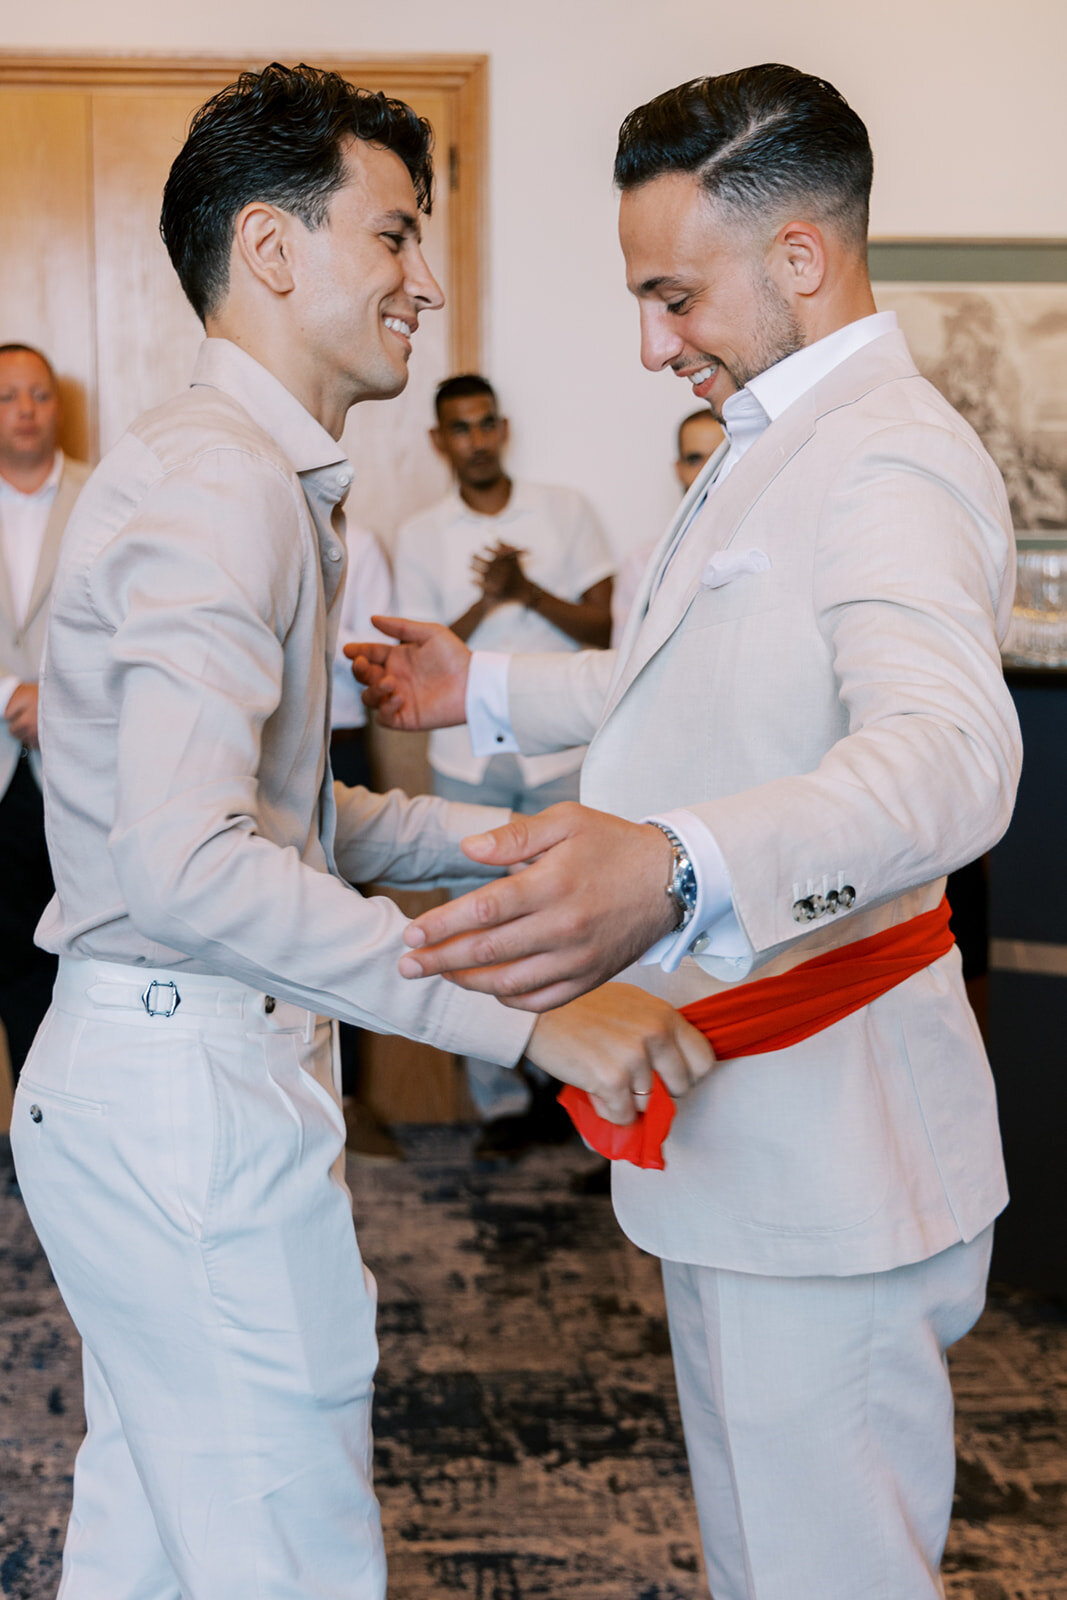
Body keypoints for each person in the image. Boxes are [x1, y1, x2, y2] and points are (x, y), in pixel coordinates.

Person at [10, 63, 711, 1600]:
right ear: (270, 249)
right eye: (393, 235)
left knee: (154, 1545)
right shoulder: (223, 487)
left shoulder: (243, 473)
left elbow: (282, 812)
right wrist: (528, 1019)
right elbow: (187, 866)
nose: (425, 281)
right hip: (186, 1098)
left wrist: (501, 848)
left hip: (158, 1081)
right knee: (288, 1560)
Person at [351, 64, 1022, 1600]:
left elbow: (947, 759)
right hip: (742, 1131)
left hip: (836, 1150)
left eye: (672, 297)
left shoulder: (887, 453)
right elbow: (689, 682)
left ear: (798, 255)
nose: (650, 345)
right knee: (755, 1562)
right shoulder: (765, 436)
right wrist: (479, 686)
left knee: (825, 1571)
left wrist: (667, 868)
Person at [394, 373, 616, 1149]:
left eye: (487, 423)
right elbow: (415, 654)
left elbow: (604, 627)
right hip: (464, 757)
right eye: (460, 428)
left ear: (503, 428)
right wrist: (490, 601)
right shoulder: (420, 534)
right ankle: (503, 1106)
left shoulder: (563, 510)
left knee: (577, 920)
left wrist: (526, 589)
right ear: (439, 441)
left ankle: (578, 1086)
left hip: (557, 757)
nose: (477, 440)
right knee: (474, 928)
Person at [0, 344, 89, 1082]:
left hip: (83, 765)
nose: (25, 411)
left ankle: (74, 1124)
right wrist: (9, 692)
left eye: (39, 394)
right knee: (8, 957)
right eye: (6, 397)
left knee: (83, 956)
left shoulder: (106, 494)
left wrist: (53, 695)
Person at [612, 407, 725, 643]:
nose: (708, 471)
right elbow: (623, 653)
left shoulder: (770, 544)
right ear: (678, 470)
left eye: (720, 457)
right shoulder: (643, 563)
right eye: (695, 459)